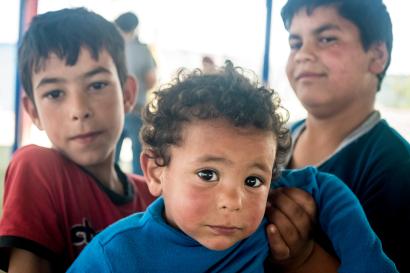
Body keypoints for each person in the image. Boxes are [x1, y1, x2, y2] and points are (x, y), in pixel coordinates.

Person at [68, 61, 396, 273]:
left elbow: (321, 185)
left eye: (253, 180)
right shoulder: (117, 257)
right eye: (208, 174)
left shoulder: (268, 218)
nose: (233, 200)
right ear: (156, 171)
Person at [0, 8, 157, 273]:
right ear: (33, 111)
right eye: (55, 93)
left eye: (97, 85)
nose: (79, 110)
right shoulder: (37, 168)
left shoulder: (154, 197)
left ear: (128, 94)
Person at [281, 0, 410, 271]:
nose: (304, 54)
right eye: (295, 43)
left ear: (376, 56)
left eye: (327, 39)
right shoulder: (269, 142)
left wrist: (303, 257)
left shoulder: (396, 168)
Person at [114, 11, 157, 175]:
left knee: (112, 159)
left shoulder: (113, 48)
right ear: (135, 27)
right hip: (136, 109)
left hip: (114, 109)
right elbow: (151, 79)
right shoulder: (142, 49)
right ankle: (138, 197)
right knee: (139, 162)